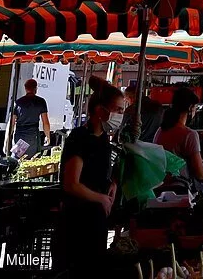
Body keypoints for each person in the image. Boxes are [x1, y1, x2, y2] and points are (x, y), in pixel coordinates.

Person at [58, 78, 123, 272]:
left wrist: (112, 184)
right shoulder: (80, 138)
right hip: (78, 222)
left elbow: (99, 172)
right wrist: (101, 198)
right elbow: (72, 184)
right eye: (118, 110)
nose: (120, 115)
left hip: (96, 220)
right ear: (100, 110)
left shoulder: (103, 138)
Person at [155, 86, 203, 184]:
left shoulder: (161, 130)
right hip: (180, 188)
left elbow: (179, 160)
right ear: (190, 108)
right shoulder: (189, 135)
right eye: (196, 107)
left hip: (161, 185)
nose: (196, 111)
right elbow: (201, 174)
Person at [9, 79, 50, 158]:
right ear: (35, 88)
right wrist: (47, 136)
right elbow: (45, 122)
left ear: (25, 88)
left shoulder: (18, 102)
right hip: (33, 137)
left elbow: (12, 122)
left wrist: (9, 136)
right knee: (33, 161)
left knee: (17, 159)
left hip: (19, 136)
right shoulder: (40, 101)